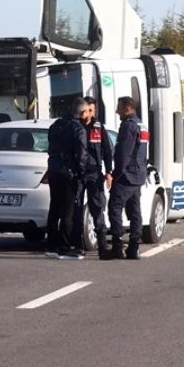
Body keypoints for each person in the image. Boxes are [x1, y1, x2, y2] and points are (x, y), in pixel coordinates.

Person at [45, 97, 88, 260]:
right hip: (69, 173)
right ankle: (65, 246)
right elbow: (81, 154)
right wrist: (82, 174)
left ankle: (51, 245)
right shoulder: (79, 129)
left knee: (54, 208)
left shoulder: (55, 125)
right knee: (68, 210)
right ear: (82, 112)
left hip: (54, 170)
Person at [108, 96, 147, 260]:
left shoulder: (128, 126)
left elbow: (124, 152)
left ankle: (117, 245)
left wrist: (116, 173)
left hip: (127, 175)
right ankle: (134, 247)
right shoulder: (141, 124)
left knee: (115, 207)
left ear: (127, 108)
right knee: (134, 211)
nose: (117, 111)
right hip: (138, 174)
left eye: (119, 108)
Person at [80, 96, 115, 258]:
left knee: (97, 208)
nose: (91, 114)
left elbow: (108, 151)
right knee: (75, 208)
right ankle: (75, 244)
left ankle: (102, 246)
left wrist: (109, 172)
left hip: (94, 173)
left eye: (93, 111)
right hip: (78, 174)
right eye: (89, 110)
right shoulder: (76, 126)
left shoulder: (98, 128)